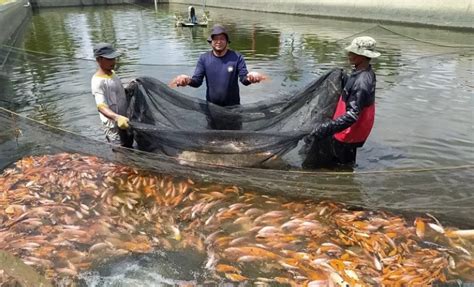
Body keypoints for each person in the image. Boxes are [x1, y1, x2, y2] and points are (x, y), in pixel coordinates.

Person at [302, 36, 380, 169]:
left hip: (349, 132)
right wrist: (344, 79)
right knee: (341, 162)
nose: (349, 54)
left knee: (341, 166)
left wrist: (325, 128)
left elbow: (352, 115)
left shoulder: (362, 81)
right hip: (351, 130)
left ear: (362, 56)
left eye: (353, 52)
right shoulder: (362, 72)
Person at [171, 24, 264, 129]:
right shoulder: (204, 59)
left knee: (235, 139)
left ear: (227, 41)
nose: (218, 41)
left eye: (222, 39)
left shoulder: (237, 57)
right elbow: (197, 81)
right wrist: (187, 80)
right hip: (212, 108)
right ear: (211, 41)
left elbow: (244, 79)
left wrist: (251, 78)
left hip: (233, 108)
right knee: (213, 138)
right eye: (215, 39)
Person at [91, 42, 133, 148]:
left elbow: (117, 92)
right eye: (109, 59)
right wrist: (117, 118)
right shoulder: (98, 82)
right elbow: (101, 106)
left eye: (114, 58)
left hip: (125, 122)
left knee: (131, 149)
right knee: (120, 154)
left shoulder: (112, 73)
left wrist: (130, 89)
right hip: (114, 128)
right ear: (99, 59)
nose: (113, 61)